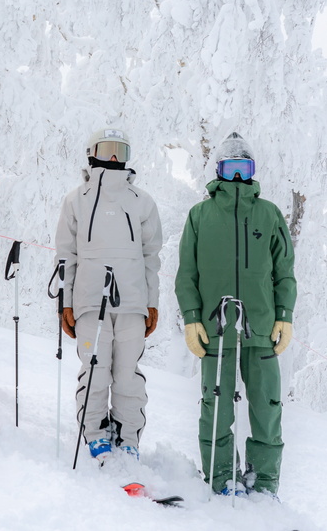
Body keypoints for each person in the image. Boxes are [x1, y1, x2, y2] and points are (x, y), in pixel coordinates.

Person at [175, 132, 296, 497]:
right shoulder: (200, 215)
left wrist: (284, 315)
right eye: (232, 168)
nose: (239, 176)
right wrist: (192, 317)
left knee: (267, 409)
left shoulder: (269, 214)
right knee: (216, 409)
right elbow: (187, 274)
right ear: (220, 171)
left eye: (245, 168)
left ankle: (263, 483)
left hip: (259, 330)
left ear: (253, 170)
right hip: (217, 330)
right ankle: (221, 478)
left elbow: (284, 270)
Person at [55, 128, 163, 466]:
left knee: (127, 372)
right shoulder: (76, 199)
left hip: (132, 302)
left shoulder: (141, 201)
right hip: (89, 300)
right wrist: (66, 302)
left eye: (121, 150)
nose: (114, 157)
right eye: (107, 149)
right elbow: (65, 253)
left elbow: (151, 256)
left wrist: (152, 301)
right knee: (96, 370)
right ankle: (95, 433)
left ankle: (128, 437)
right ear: (92, 152)